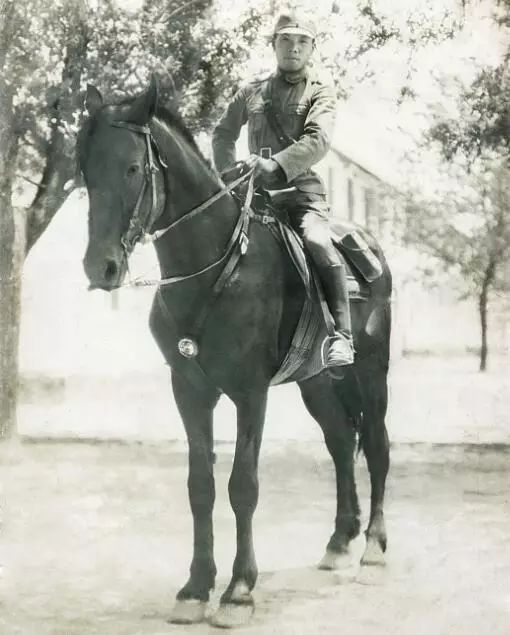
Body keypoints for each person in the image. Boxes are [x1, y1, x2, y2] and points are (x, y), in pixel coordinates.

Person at [212, 11, 354, 368]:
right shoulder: (251, 91)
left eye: (302, 41)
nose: (293, 47)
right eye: (285, 40)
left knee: (320, 243)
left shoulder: (320, 90)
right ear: (273, 45)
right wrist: (228, 171)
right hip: (252, 197)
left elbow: (318, 139)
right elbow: (223, 133)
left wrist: (276, 165)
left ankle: (342, 337)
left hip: (301, 196)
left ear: (312, 48)